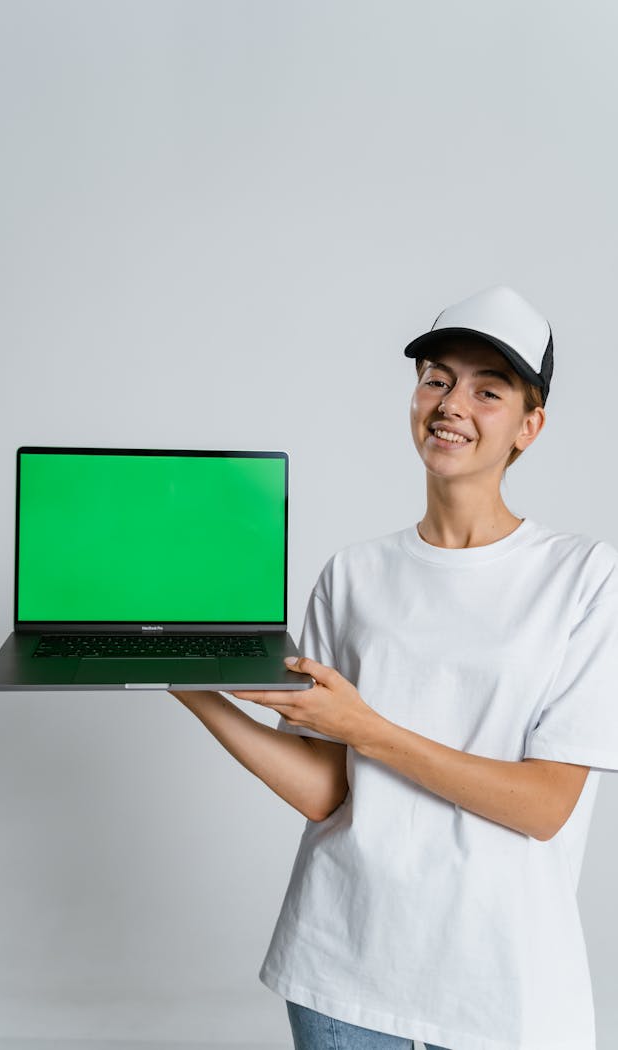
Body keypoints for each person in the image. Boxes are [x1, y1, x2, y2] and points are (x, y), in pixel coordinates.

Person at [170, 285, 618, 1050]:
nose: (451, 404)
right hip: (341, 969)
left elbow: (545, 806)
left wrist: (367, 728)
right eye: (437, 379)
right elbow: (324, 792)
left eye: (488, 390)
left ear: (529, 426)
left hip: (502, 988)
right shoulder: (352, 575)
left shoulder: (583, 576)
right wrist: (187, 682)